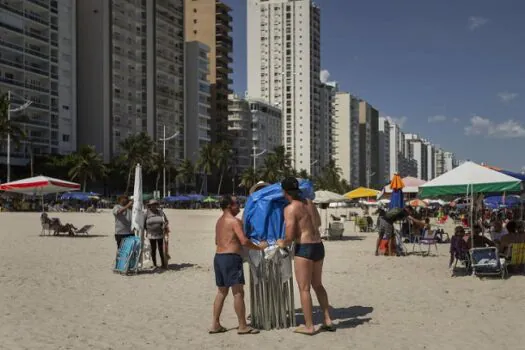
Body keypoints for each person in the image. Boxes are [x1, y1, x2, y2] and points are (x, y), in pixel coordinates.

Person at [277, 177, 334, 335]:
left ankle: (309, 326)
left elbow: (289, 234)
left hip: (305, 248)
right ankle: (328, 319)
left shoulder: (290, 208)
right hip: (318, 246)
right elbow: (318, 223)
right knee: (318, 285)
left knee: (304, 288)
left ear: (284, 192)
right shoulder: (310, 202)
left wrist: (282, 242)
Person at [210, 195, 267, 335]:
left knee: (221, 292)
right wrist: (259, 247)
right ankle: (242, 326)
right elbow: (244, 241)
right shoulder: (234, 221)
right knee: (238, 293)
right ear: (229, 205)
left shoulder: (219, 221)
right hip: (231, 258)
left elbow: (217, 241)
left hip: (219, 257)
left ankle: (215, 324)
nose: (239, 206)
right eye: (237, 204)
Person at [144, 200, 168, 269]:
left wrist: (164, 225)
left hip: (160, 233)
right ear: (150, 206)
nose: (154, 206)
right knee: (153, 249)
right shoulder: (146, 213)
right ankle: (155, 264)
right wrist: (147, 230)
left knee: (161, 249)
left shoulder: (161, 212)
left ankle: (163, 264)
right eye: (152, 205)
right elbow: (143, 224)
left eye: (155, 204)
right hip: (151, 234)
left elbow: (166, 221)